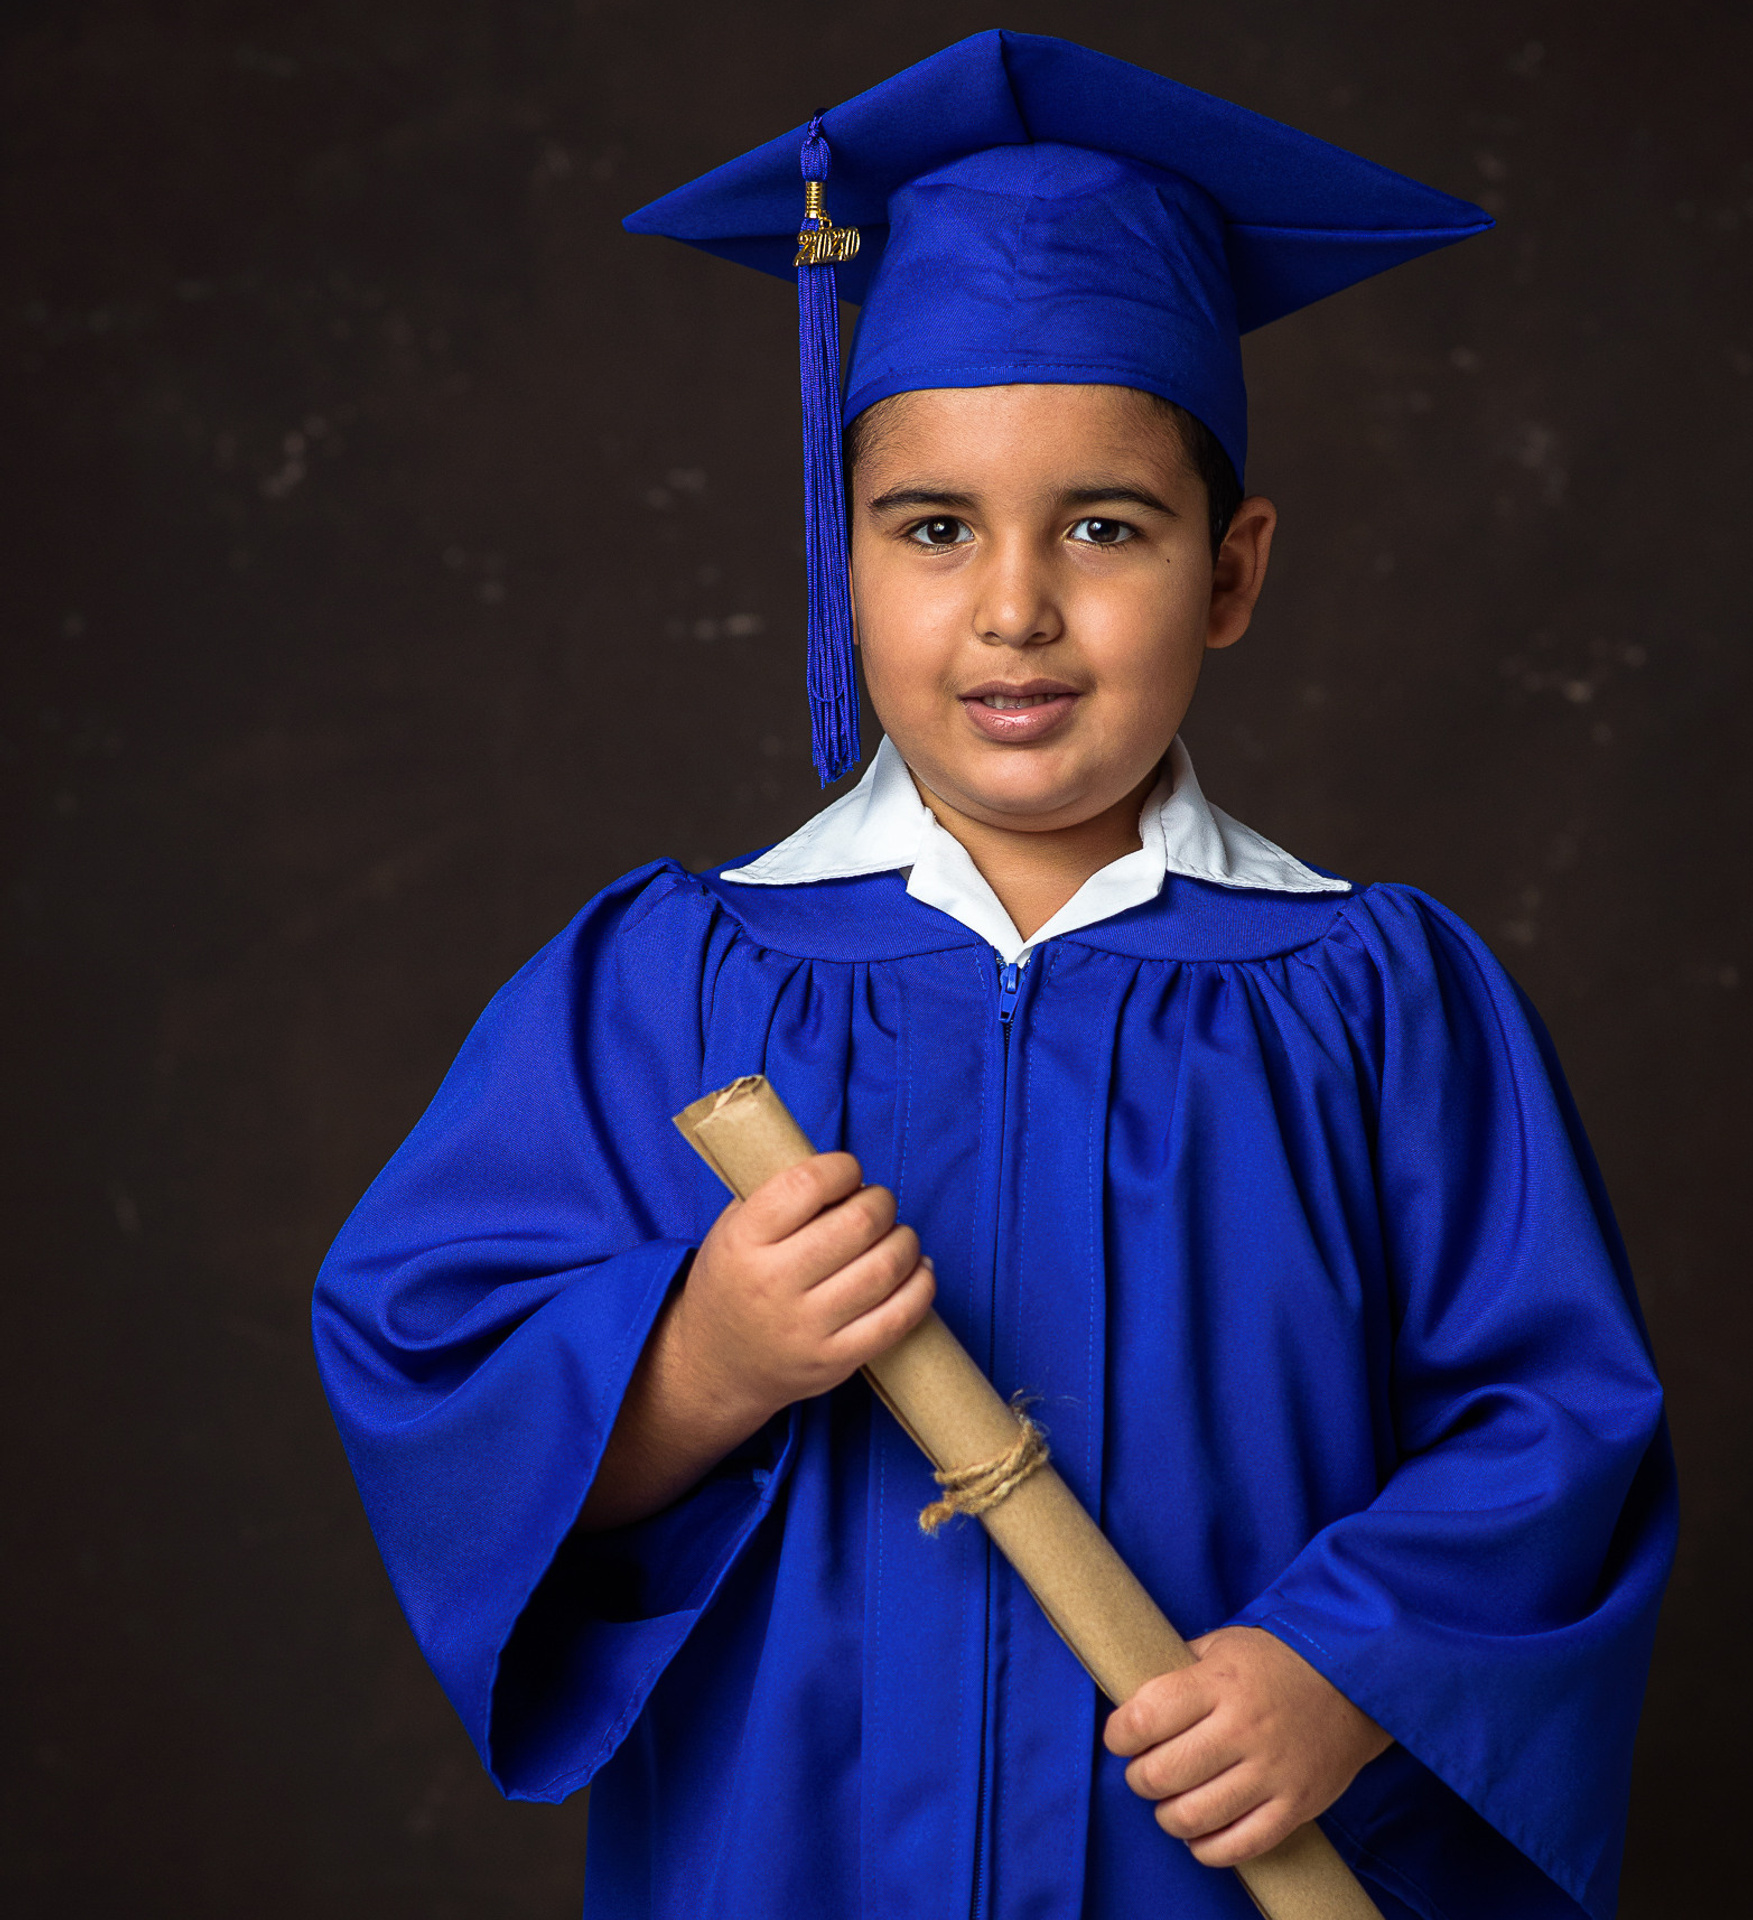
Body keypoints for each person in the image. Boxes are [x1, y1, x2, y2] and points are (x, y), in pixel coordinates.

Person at [313, 31, 1674, 1920]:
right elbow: (429, 1367)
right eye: (931, 527)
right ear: (838, 555)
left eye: (1104, 529)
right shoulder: (672, 979)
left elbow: (1554, 1424)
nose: (1013, 607)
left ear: (1234, 569)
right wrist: (698, 1357)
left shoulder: (1374, 998)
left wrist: (1348, 1673)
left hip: (1225, 1867)